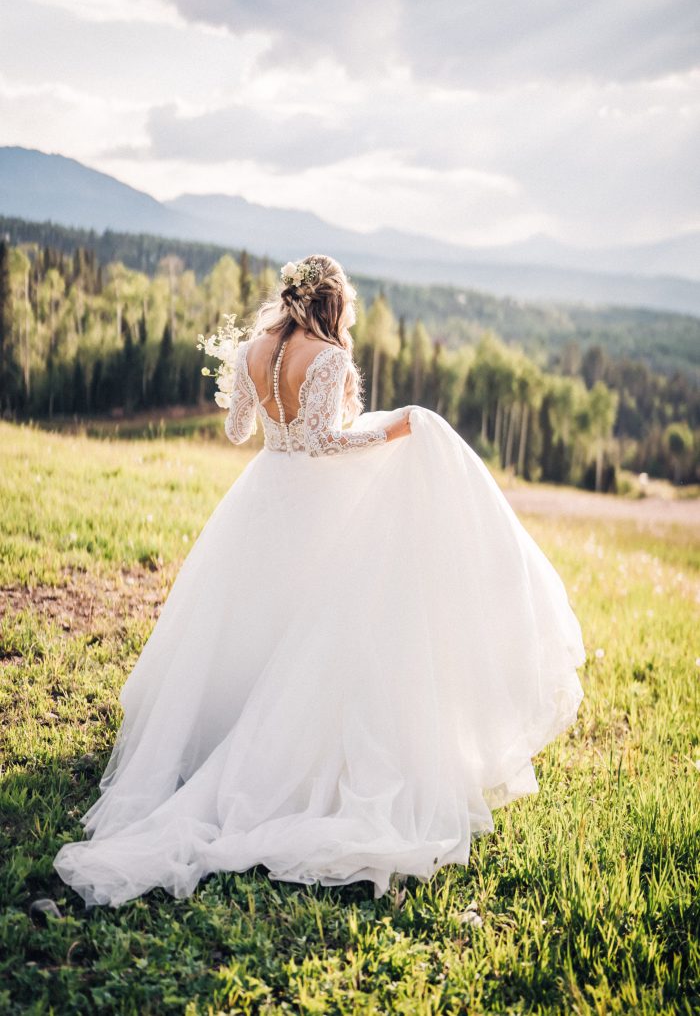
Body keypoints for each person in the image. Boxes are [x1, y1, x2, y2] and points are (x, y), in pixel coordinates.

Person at [54, 253, 586, 908]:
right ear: (332, 303)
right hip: (310, 504)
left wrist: (252, 397)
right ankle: (287, 755)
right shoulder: (328, 357)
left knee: (250, 623)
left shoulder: (255, 348)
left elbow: (240, 428)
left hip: (260, 499)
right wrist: (394, 427)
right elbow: (325, 444)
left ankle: (222, 732)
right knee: (320, 628)